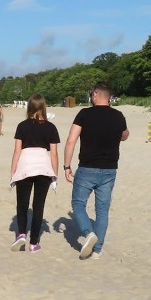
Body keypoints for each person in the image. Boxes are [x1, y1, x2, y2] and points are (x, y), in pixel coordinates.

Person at [63, 83, 129, 259]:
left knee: (78, 204)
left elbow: (71, 140)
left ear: (97, 94)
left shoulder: (84, 114)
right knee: (102, 210)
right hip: (109, 169)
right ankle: (97, 250)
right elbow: (125, 135)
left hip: (87, 167)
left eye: (92, 94)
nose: (91, 96)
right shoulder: (118, 115)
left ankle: (88, 233)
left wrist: (67, 166)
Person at [9, 94, 60, 252]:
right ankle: (33, 243)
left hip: (25, 167)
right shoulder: (51, 127)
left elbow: (17, 151)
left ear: (29, 108)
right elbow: (54, 154)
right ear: (43, 107)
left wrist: (13, 173)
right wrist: (54, 176)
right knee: (38, 207)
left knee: (22, 205)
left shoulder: (22, 126)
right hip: (43, 168)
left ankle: (22, 234)